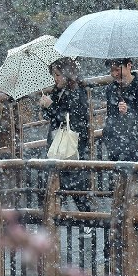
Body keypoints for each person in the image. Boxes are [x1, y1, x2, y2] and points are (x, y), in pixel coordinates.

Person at [102, 58, 138, 216]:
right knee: (126, 184)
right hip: (117, 142)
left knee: (131, 183)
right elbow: (111, 116)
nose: (114, 74)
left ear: (129, 66)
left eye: (117, 69)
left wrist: (130, 112)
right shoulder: (111, 89)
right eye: (112, 70)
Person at [40, 57, 92, 212]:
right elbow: (51, 116)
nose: (55, 79)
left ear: (67, 74)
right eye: (54, 75)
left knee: (73, 184)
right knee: (58, 182)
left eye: (58, 74)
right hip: (59, 141)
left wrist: (51, 107)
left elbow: (71, 119)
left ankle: (87, 220)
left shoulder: (76, 92)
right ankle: (55, 220)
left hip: (72, 142)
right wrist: (45, 106)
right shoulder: (58, 91)